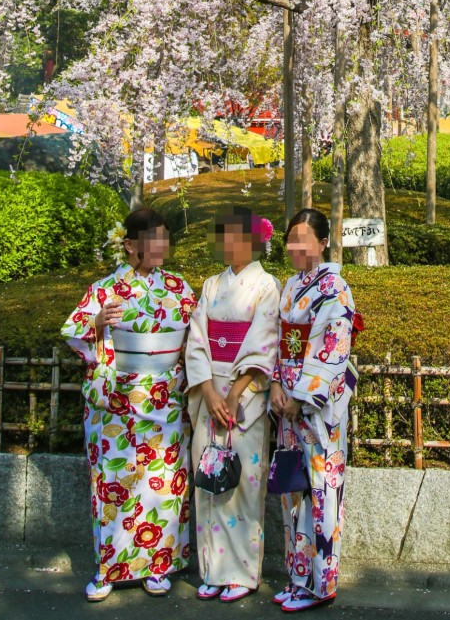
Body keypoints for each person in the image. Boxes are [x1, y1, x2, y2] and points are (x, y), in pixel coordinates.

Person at [62, 207, 196, 603]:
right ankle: (108, 568)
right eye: (153, 239)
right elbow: (74, 330)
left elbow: (197, 339)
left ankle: (159, 565)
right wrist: (99, 322)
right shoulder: (105, 289)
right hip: (117, 399)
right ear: (131, 245)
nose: (160, 246)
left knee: (165, 483)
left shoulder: (180, 288)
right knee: (113, 484)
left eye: (164, 238)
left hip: (166, 396)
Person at [185, 206, 280, 603]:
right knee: (208, 481)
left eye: (237, 237)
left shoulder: (268, 286)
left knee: (242, 485)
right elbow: (197, 341)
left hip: (246, 399)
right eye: (225, 236)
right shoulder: (210, 285)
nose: (229, 244)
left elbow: (265, 341)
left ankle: (241, 573)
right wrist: (207, 390)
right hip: (211, 394)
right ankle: (212, 570)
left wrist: (235, 391)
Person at [270, 208, 358, 613]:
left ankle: (321, 584)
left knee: (321, 492)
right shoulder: (289, 287)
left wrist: (301, 397)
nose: (296, 246)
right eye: (292, 238)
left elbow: (333, 351)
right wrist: (275, 383)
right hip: (287, 404)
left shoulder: (336, 289)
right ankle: (296, 576)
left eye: (305, 238)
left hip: (316, 411)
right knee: (292, 492)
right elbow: (278, 342)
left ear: (323, 243)